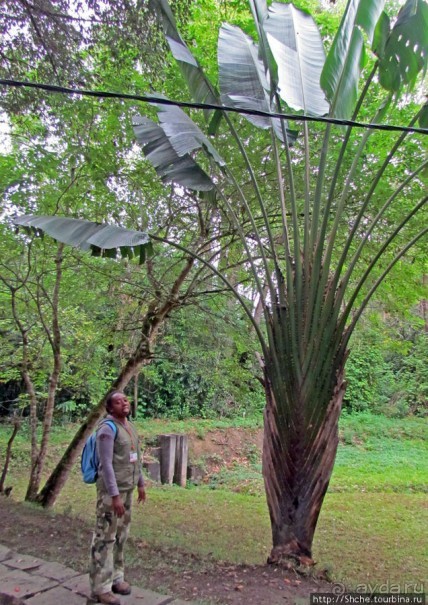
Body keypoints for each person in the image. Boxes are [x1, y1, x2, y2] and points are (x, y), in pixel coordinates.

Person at [89, 390, 146, 605]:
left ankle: (117, 578)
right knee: (105, 537)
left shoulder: (129, 427)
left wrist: (140, 484)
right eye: (118, 401)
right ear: (110, 408)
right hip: (112, 494)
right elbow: (106, 465)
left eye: (125, 399)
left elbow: (135, 458)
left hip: (127, 489)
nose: (124, 402)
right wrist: (114, 496)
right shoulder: (107, 429)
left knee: (121, 535)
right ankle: (100, 587)